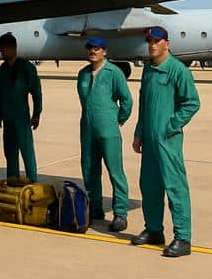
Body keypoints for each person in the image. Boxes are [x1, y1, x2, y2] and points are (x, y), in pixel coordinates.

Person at [132, 25, 201, 258]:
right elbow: (143, 104)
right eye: (150, 41)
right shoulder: (149, 70)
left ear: (167, 44)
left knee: (175, 188)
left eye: (157, 41)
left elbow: (192, 102)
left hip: (167, 141)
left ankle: (183, 238)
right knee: (149, 187)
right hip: (149, 141)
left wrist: (171, 126)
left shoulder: (177, 70)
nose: (152, 45)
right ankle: (153, 230)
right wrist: (139, 132)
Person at [77, 36, 132, 232]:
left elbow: (127, 100)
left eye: (97, 48)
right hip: (87, 130)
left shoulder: (114, 73)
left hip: (108, 131)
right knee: (90, 170)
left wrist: (117, 119)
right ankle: (95, 209)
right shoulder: (82, 74)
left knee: (115, 172)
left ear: (105, 51)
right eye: (90, 48)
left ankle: (120, 214)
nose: (93, 51)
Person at [0, 32, 42, 182]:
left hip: (21, 118)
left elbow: (36, 92)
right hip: (8, 118)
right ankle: (12, 182)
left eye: (3, 49)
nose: (1, 52)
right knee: (10, 153)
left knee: (27, 152)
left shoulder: (26, 68)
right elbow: (0, 93)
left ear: (12, 48)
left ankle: (32, 182)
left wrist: (36, 114)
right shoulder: (2, 69)